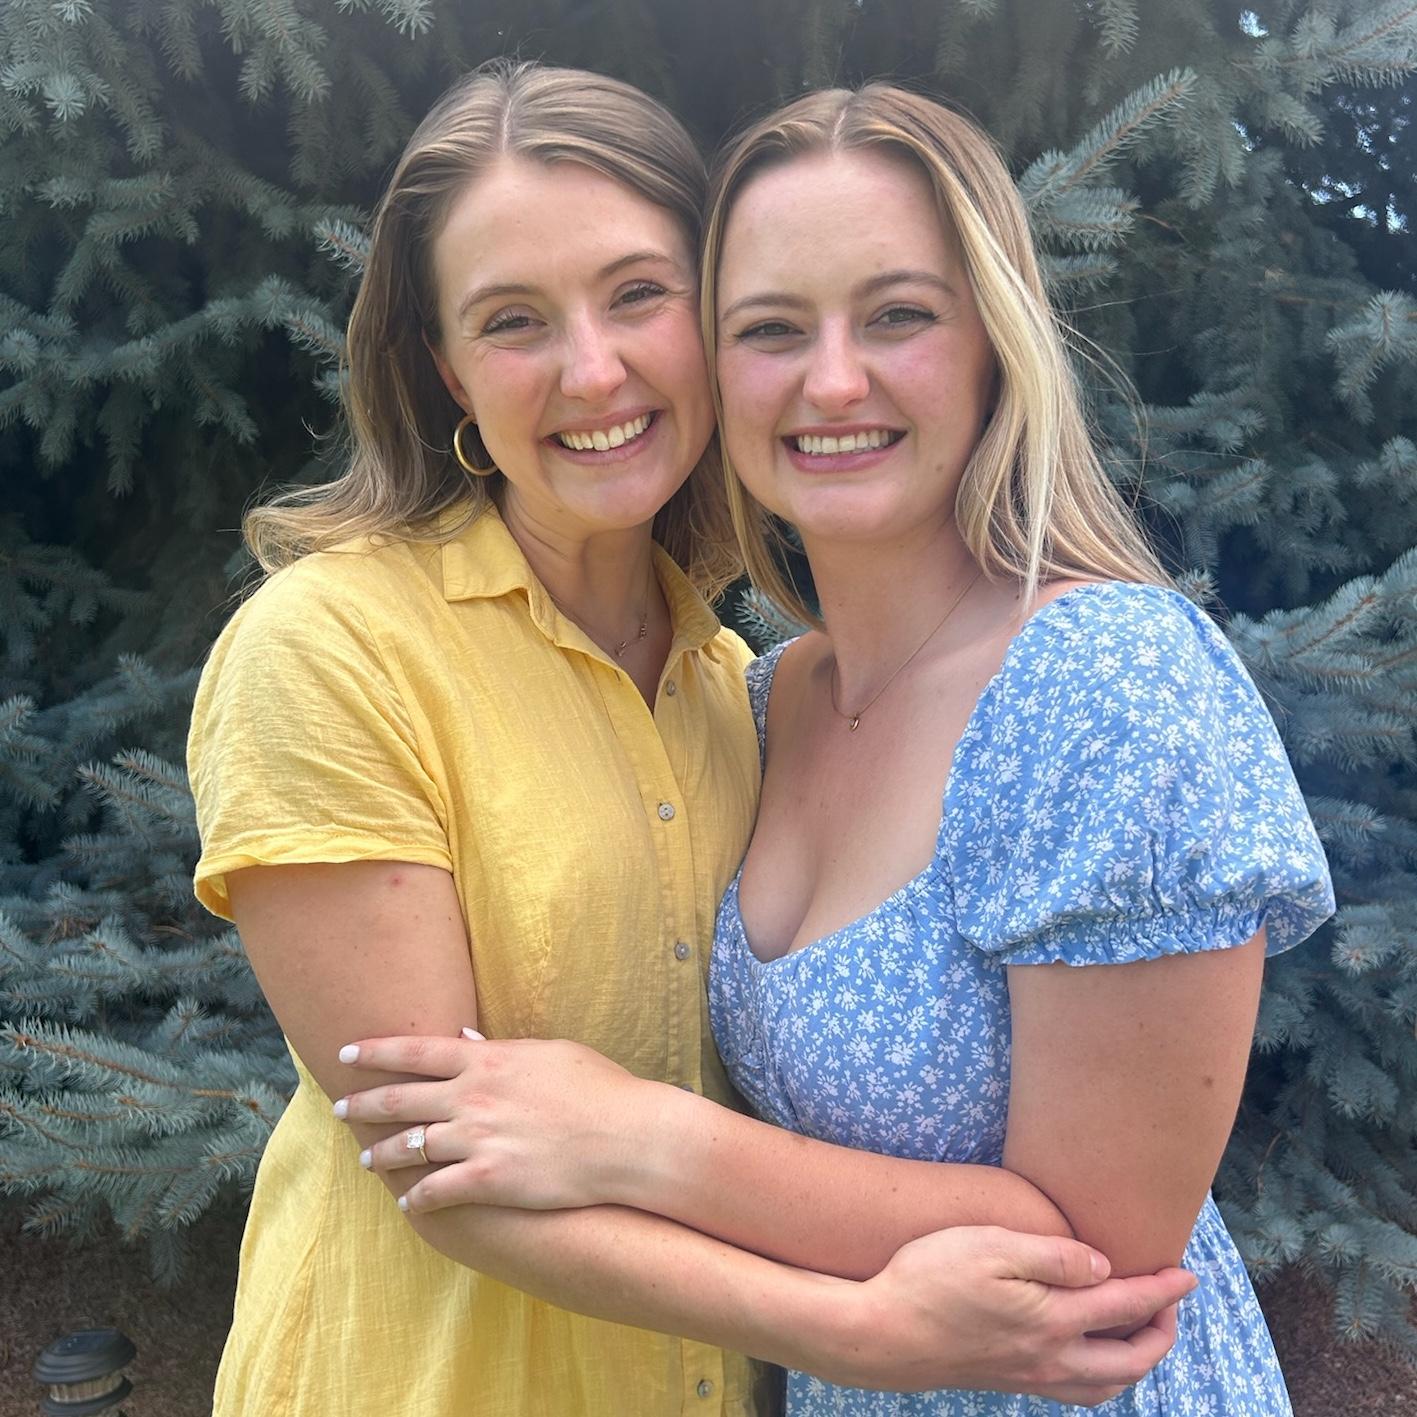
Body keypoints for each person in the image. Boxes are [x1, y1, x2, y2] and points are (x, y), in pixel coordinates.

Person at [188, 63, 1194, 1417]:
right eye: (512, 320)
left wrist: (664, 1161)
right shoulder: (331, 647)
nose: (592, 369)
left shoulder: (738, 686)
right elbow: (435, 1157)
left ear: (709, 322)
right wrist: (853, 1331)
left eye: (637, 295)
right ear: (444, 370)